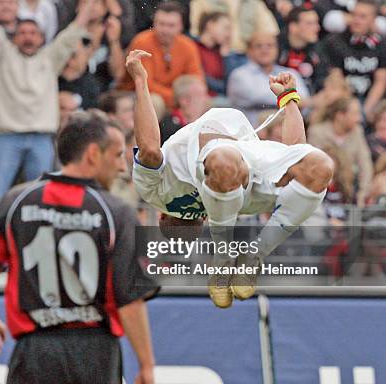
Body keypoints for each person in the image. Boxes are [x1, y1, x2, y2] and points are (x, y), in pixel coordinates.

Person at [126, 49, 333, 308]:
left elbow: (148, 149)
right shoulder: (236, 202)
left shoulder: (157, 193)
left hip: (235, 153)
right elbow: (295, 156)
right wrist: (288, 99)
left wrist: (140, 80)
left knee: (312, 166)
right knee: (321, 168)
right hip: (237, 157)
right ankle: (241, 258)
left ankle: (236, 259)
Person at [0, 110, 158, 384]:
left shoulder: (15, 201)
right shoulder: (117, 212)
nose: (123, 167)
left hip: (34, 350)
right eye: (118, 155)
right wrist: (146, 364)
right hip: (95, 352)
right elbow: (129, 300)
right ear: (93, 154)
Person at [0, 0, 97, 209]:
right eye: (23, 32)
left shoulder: (51, 58)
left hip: (41, 140)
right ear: (15, 38)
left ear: (42, 38)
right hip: (7, 138)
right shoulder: (2, 56)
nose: (28, 37)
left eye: (33, 33)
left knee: (44, 198)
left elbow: (77, 27)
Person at [118, 1, 203, 110]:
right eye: (161, 24)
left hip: (177, 98)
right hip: (137, 94)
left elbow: (196, 79)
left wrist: (189, 97)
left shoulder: (188, 46)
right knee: (154, 101)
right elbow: (146, 85)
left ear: (181, 26)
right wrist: (177, 98)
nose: (165, 30)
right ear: (154, 23)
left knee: (207, 102)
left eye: (171, 25)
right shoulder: (142, 42)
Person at [320, 0, 385, 122]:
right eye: (354, 15)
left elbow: (381, 80)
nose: (356, 20)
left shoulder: (382, 44)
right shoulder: (335, 41)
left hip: (370, 102)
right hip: (342, 101)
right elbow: (336, 78)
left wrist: (366, 110)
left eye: (363, 16)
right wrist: (353, 110)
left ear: (373, 19)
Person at [227, 32, 309, 126]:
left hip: (287, 130)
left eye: (270, 45)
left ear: (277, 49)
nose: (265, 50)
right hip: (252, 134)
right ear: (249, 51)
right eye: (259, 46)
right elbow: (257, 97)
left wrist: (296, 100)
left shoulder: (290, 73)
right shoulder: (239, 75)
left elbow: (305, 103)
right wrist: (291, 98)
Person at [308, 97, 373, 207]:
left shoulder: (357, 131)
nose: (359, 119)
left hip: (349, 186)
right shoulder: (317, 132)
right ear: (340, 115)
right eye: (355, 114)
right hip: (324, 186)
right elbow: (312, 166)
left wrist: (363, 192)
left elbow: (365, 164)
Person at [189, 0, 279, 54]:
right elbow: (196, 34)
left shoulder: (255, 3)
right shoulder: (201, 2)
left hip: (247, 56)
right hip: (215, 55)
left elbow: (269, 33)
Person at [277, 5, 327, 95]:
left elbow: (322, 79)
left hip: (309, 102)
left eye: (317, 23)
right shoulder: (276, 46)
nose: (317, 28)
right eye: (310, 23)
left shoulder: (318, 49)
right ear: (293, 27)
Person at [160, 74, 210, 144]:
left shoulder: (209, 124)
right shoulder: (169, 128)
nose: (207, 99)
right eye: (200, 95)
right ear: (184, 101)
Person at [194, 11, 232, 97]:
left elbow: (230, 83)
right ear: (210, 25)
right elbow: (201, 77)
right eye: (226, 28)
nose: (228, 34)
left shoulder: (221, 52)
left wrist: (225, 57)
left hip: (219, 97)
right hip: (202, 96)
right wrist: (223, 87)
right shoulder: (193, 47)